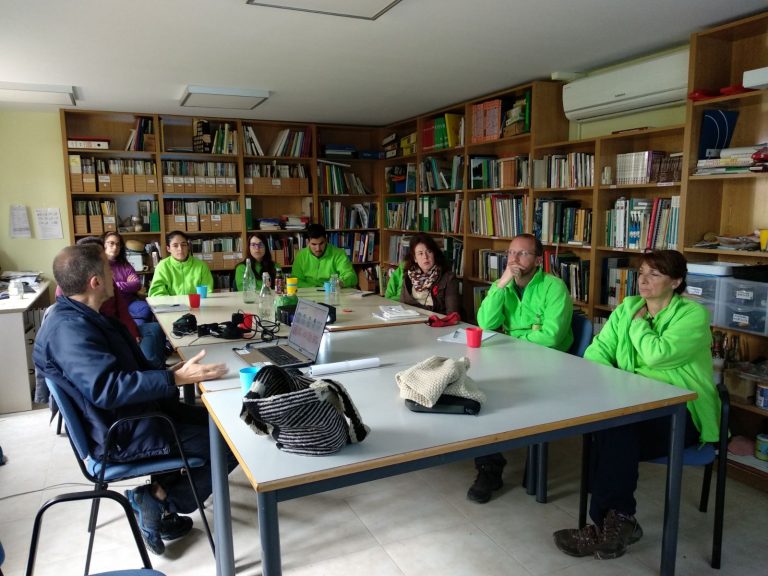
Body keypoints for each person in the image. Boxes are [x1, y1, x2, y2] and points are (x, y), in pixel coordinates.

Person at [33, 244, 236, 556]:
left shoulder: (85, 317)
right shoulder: (69, 330)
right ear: (95, 282)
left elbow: (125, 372)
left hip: (135, 415)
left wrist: (171, 372)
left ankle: (159, 498)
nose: (115, 276)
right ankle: (158, 500)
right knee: (231, 443)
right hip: (121, 433)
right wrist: (173, 380)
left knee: (223, 423)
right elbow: (107, 388)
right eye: (108, 270)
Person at [553, 250, 719, 560]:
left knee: (614, 431)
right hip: (633, 406)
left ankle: (605, 526)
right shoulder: (627, 307)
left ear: (676, 282)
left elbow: (658, 354)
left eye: (655, 274)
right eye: (641, 272)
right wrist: (615, 381)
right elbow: (596, 353)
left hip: (682, 414)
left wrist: (639, 324)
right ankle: (617, 523)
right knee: (610, 427)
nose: (643, 279)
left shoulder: (693, 315)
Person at [467, 233, 573, 504]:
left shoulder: (554, 287)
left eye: (522, 253)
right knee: (477, 390)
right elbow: (486, 323)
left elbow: (551, 337)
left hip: (549, 366)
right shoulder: (505, 285)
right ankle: (489, 467)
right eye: (510, 253)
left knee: (496, 394)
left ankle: (530, 460)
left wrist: (514, 339)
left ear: (538, 260)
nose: (514, 258)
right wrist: (501, 284)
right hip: (511, 359)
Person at [397, 234, 460, 314]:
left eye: (429, 251)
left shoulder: (449, 278)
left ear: (434, 254)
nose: (425, 257)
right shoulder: (409, 277)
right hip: (411, 319)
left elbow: (452, 314)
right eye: (420, 253)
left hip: (436, 320)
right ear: (415, 258)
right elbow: (402, 306)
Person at [103, 231, 152, 324]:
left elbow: (137, 284)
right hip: (109, 304)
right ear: (103, 244)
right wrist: (126, 284)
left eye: (118, 244)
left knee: (145, 308)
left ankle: (135, 329)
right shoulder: (99, 265)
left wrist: (116, 285)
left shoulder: (125, 265)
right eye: (111, 243)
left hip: (129, 303)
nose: (115, 247)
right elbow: (104, 288)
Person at [148, 231, 214, 296]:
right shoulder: (162, 266)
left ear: (188, 247)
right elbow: (157, 294)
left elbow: (207, 292)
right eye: (175, 245)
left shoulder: (201, 266)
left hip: (196, 302)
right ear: (168, 249)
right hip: (170, 303)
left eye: (183, 245)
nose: (180, 249)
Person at [291, 224, 357, 288]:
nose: (318, 249)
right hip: (309, 291)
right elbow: (295, 280)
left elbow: (351, 276)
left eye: (321, 243)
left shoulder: (339, 254)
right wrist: (315, 288)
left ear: (326, 240)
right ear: (308, 242)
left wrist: (341, 282)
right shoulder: (301, 255)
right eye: (314, 244)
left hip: (332, 291)